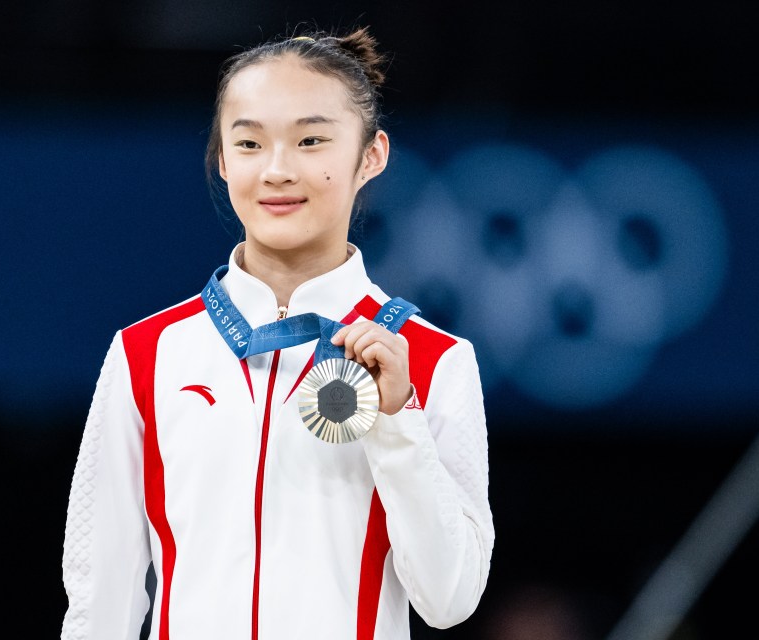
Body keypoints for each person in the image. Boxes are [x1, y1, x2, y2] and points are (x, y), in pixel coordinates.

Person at [61, 26, 494, 640]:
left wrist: (399, 422)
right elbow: (98, 599)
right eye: (249, 143)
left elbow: (450, 598)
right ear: (222, 159)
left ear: (371, 155)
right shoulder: (148, 354)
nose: (278, 169)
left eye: (312, 140)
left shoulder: (433, 361)